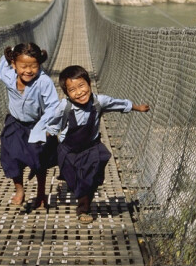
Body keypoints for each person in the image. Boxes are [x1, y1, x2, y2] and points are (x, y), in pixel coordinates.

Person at [46, 65, 150, 224]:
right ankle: (78, 187)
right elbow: (53, 125)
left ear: (89, 83)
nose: (79, 92)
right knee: (74, 181)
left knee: (89, 179)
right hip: (69, 149)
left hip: (91, 147)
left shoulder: (98, 102)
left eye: (82, 86)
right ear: (66, 94)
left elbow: (118, 104)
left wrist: (137, 107)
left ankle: (83, 209)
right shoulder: (64, 107)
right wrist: (45, 138)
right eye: (72, 90)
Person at [0, 42, 60, 208]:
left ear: (39, 65)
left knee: (39, 159)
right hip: (14, 122)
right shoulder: (8, 75)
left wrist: (46, 127)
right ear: (14, 65)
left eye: (33, 66)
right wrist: (9, 52)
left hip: (36, 124)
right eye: (23, 66)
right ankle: (19, 189)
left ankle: (41, 193)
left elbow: (53, 106)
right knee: (10, 156)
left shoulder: (44, 81)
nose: (28, 71)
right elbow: (1, 67)